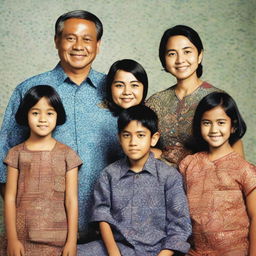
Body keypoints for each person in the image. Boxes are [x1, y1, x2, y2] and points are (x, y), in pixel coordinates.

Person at [0, 10, 122, 242]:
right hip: (42, 230)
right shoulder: (30, 89)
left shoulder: (117, 90)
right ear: (56, 41)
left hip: (108, 227)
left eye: (87, 39)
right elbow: (3, 158)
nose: (78, 46)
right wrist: (21, 221)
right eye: (70, 38)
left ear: (98, 44)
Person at [77, 105, 192, 256]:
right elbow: (102, 215)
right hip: (118, 247)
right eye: (126, 135)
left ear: (154, 138)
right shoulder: (108, 174)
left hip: (158, 250)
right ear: (119, 138)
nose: (133, 142)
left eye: (140, 135)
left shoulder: (169, 176)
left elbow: (180, 224)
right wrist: (113, 252)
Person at [146, 25, 244, 166]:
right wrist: (160, 153)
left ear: (199, 55)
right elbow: (138, 141)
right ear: (164, 59)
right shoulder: (155, 102)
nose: (180, 60)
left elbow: (235, 145)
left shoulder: (217, 98)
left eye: (187, 52)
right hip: (162, 182)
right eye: (172, 53)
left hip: (205, 181)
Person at [3, 85, 82, 256]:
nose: (42, 119)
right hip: (21, 238)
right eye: (35, 112)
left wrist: (71, 241)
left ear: (57, 115)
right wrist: (12, 239)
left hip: (58, 240)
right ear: (26, 114)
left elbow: (71, 200)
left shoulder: (68, 155)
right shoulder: (15, 153)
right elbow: (9, 198)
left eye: (49, 113)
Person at [179, 92, 256, 255]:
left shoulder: (245, 169)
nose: (214, 129)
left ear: (233, 125)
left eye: (221, 122)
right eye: (207, 123)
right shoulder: (189, 164)